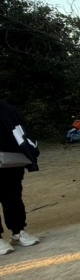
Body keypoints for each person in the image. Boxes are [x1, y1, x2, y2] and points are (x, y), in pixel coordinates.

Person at [0, 100, 40, 254]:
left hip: (10, 161)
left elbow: (23, 131)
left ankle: (18, 231)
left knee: (13, 196)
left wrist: (30, 152)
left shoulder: (7, 108)